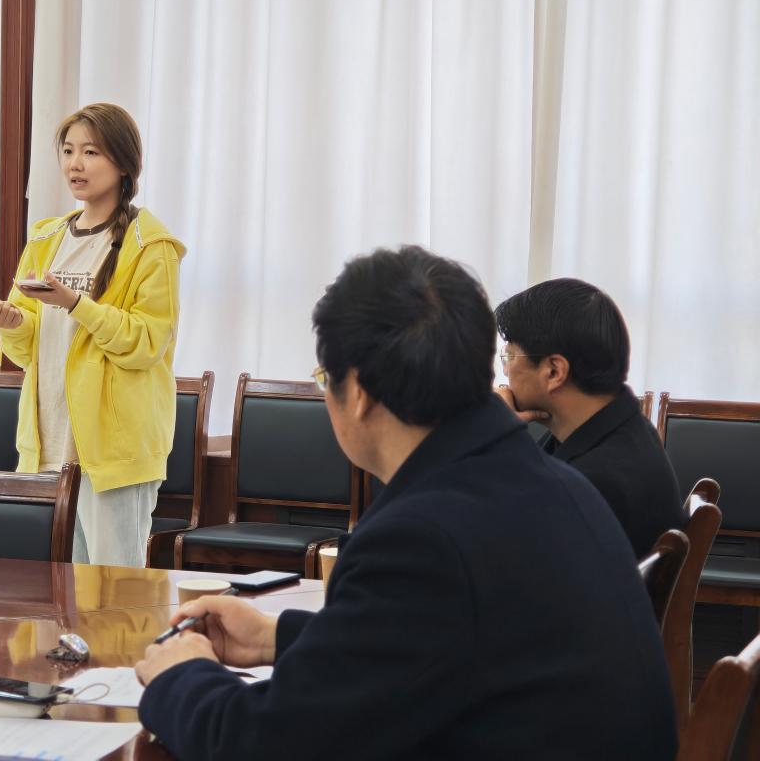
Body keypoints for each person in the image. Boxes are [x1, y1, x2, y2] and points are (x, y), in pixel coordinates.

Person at [134, 246, 676, 760]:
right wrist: (277, 637)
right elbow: (429, 641)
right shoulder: (544, 480)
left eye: (325, 379)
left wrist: (180, 674)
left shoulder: (422, 538)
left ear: (360, 392)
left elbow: (268, 745)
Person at [0, 102, 185, 568]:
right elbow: (31, 349)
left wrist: (77, 304)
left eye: (91, 152)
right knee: (57, 590)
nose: (75, 164)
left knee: (115, 590)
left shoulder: (150, 246)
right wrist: (15, 326)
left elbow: (145, 343)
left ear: (123, 163)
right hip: (48, 443)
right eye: (68, 151)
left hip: (114, 451)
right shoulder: (46, 239)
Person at [494, 278, 683, 557]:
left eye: (509, 356)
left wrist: (493, 438)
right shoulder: (621, 428)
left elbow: (492, 544)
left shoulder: (594, 482)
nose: (505, 372)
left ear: (554, 372)